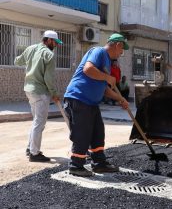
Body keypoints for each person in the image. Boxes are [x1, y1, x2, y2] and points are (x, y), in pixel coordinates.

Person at [64, 33, 129, 177]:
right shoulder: (98, 52)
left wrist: (120, 99)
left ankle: (99, 163)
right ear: (118, 45)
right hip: (78, 98)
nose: (121, 53)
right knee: (82, 133)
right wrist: (107, 77)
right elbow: (88, 69)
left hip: (91, 102)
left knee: (98, 132)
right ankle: (76, 165)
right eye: (122, 49)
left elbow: (104, 88)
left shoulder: (106, 62)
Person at [14, 30, 62, 162]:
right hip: (41, 92)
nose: (56, 45)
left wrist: (30, 64)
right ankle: (34, 154)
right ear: (49, 40)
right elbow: (48, 78)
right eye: (55, 42)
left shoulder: (30, 48)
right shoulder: (49, 55)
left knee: (36, 120)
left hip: (29, 89)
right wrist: (54, 93)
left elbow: (17, 61)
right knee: (39, 122)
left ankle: (30, 148)